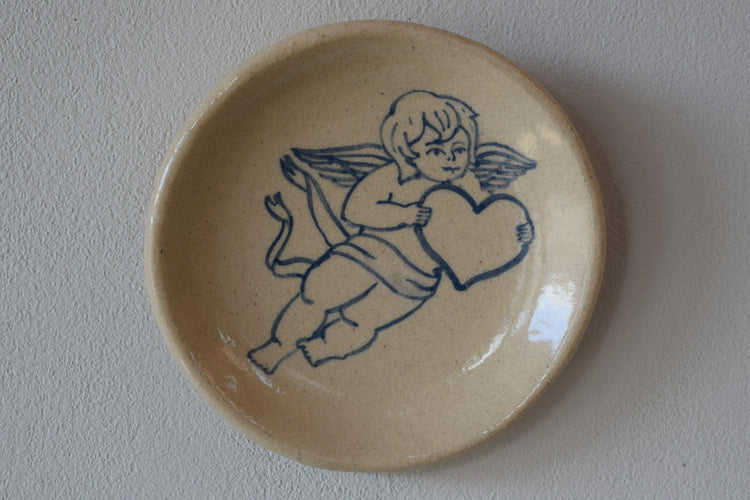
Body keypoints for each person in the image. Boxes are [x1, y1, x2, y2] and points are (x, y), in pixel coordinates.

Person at [248, 90, 531, 374]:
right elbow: (355, 210)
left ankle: (324, 348)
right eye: (435, 151)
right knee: (317, 293)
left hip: (415, 281)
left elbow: (481, 232)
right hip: (366, 254)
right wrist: (403, 215)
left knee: (364, 323)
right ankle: (277, 347)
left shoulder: (467, 186)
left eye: (459, 149)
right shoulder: (393, 176)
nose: (450, 158)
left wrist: (516, 236)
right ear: (408, 153)